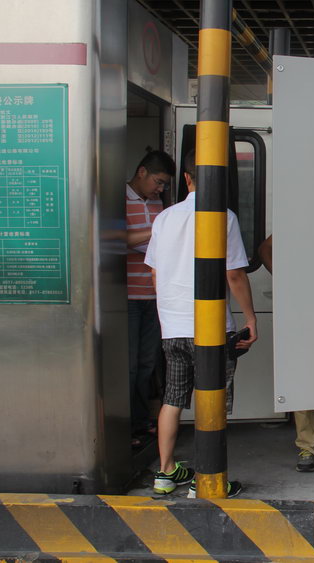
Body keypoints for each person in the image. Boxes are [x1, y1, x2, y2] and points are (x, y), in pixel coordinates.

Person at [145, 149, 257, 496]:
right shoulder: (223, 217)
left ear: (187, 178)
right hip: (210, 330)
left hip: (173, 327)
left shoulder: (164, 219)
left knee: (172, 399)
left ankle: (165, 473)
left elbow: (155, 274)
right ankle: (206, 479)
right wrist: (250, 318)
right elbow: (234, 275)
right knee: (213, 401)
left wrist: (169, 313)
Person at [257, 236, 314, 472]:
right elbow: (265, 249)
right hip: (304, 307)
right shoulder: (303, 223)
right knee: (305, 373)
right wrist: (285, 279)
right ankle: (308, 446)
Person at [126, 150, 174, 449]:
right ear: (142, 172)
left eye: (164, 184)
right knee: (130, 365)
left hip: (156, 295)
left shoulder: (158, 204)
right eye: (158, 181)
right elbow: (118, 239)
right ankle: (127, 425)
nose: (160, 189)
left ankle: (142, 423)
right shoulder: (117, 199)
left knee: (147, 363)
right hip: (129, 296)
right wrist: (157, 230)